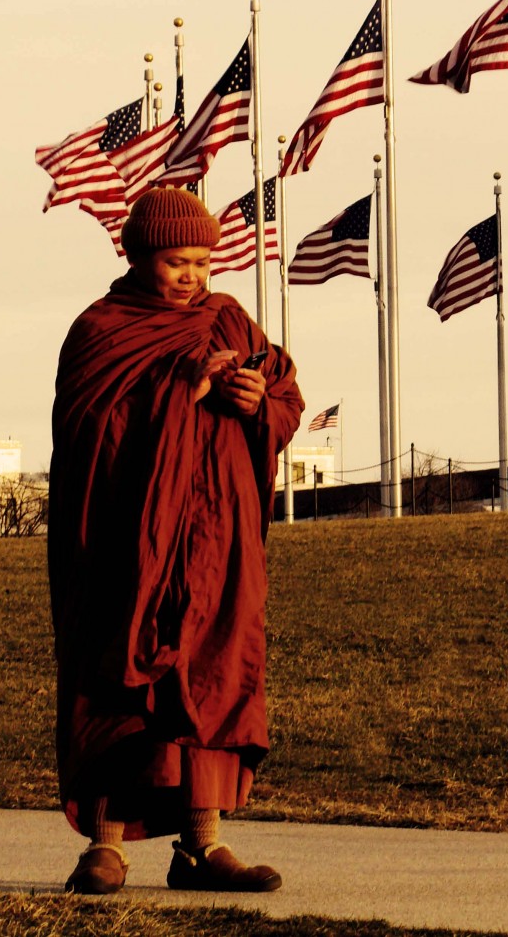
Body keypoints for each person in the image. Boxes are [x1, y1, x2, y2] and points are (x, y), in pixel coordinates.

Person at [47, 186, 304, 896]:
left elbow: (284, 392)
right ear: (139, 256)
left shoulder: (226, 318)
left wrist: (259, 404)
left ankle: (202, 844)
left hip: (215, 542)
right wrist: (182, 389)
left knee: (210, 678)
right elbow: (87, 431)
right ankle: (104, 847)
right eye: (175, 261)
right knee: (121, 677)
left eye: (201, 260)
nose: (192, 275)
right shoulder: (101, 329)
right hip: (125, 546)